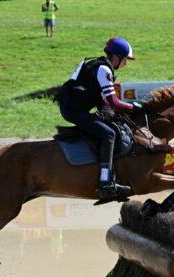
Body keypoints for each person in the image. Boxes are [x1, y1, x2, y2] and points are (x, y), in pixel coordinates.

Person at [54, 37, 144, 201]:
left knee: (111, 125)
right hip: (74, 110)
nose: (126, 64)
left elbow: (104, 102)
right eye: (125, 60)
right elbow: (113, 101)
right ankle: (105, 181)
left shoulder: (101, 67)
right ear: (116, 57)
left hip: (74, 107)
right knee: (108, 134)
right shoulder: (104, 70)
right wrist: (135, 107)